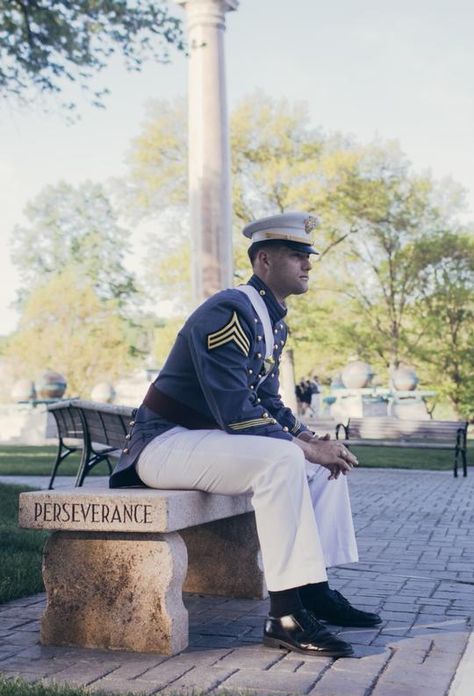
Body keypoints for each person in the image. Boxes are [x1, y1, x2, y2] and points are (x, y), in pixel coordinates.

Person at [110, 211, 382, 658]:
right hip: (163, 444)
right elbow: (235, 410)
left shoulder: (271, 318)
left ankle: (313, 592)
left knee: (325, 467)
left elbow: (269, 401)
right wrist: (304, 450)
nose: (308, 264)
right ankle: (285, 616)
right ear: (263, 261)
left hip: (205, 443)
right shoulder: (230, 310)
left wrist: (315, 442)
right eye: (297, 255)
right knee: (285, 461)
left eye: (307, 256)